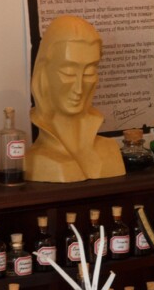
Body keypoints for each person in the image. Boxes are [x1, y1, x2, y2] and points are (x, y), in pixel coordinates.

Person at [26, 15, 125, 182]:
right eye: (69, 72)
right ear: (44, 72)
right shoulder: (36, 159)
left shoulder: (110, 149)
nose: (79, 88)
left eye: (88, 72)